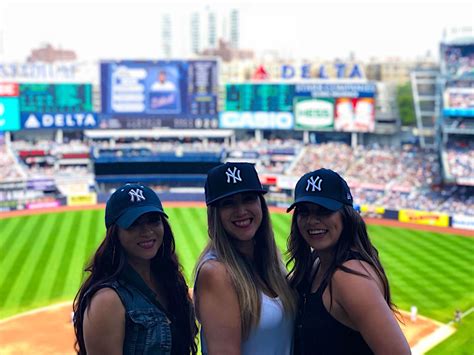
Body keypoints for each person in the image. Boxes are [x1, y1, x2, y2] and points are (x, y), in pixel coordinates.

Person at [287, 168, 410, 355]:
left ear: (346, 216)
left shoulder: (349, 276)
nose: (312, 220)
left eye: (324, 211)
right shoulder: (316, 263)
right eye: (304, 212)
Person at [73, 183, 198, 355]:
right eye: (133, 224)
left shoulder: (170, 280)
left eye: (153, 220)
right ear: (115, 233)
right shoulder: (107, 301)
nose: (147, 231)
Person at [194, 162, 297, 355]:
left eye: (248, 199)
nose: (241, 210)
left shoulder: (270, 263)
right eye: (228, 203)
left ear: (260, 204)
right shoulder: (217, 273)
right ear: (215, 214)